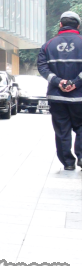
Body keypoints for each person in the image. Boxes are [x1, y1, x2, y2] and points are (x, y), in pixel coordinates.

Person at [38, 11, 82, 170]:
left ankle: (68, 163)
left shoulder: (48, 45)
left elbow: (42, 68)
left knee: (62, 130)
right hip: (80, 98)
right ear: (78, 26)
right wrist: (75, 83)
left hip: (57, 97)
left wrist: (58, 82)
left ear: (61, 25)